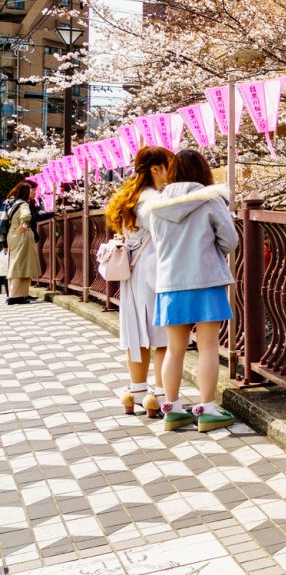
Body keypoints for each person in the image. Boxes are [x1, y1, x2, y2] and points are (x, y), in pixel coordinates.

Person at [147, 150, 238, 433]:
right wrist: (210, 252)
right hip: (205, 280)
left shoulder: (157, 205)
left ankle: (172, 410)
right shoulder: (210, 200)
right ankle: (207, 409)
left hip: (170, 283)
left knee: (175, 349)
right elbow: (230, 240)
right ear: (203, 172)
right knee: (208, 347)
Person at [103, 146, 174, 418]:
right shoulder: (152, 200)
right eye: (169, 166)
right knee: (163, 336)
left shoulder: (130, 197)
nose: (173, 172)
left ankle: (137, 391)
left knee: (137, 336)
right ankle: (162, 394)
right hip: (153, 274)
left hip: (132, 273)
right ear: (156, 169)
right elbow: (165, 235)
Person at [4, 180, 53, 305]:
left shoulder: (11, 203)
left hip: (12, 235)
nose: (34, 193)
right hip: (21, 235)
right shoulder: (23, 204)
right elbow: (26, 217)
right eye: (32, 190)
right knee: (20, 264)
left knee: (17, 263)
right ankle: (16, 296)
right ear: (26, 192)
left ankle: (19, 294)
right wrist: (23, 226)